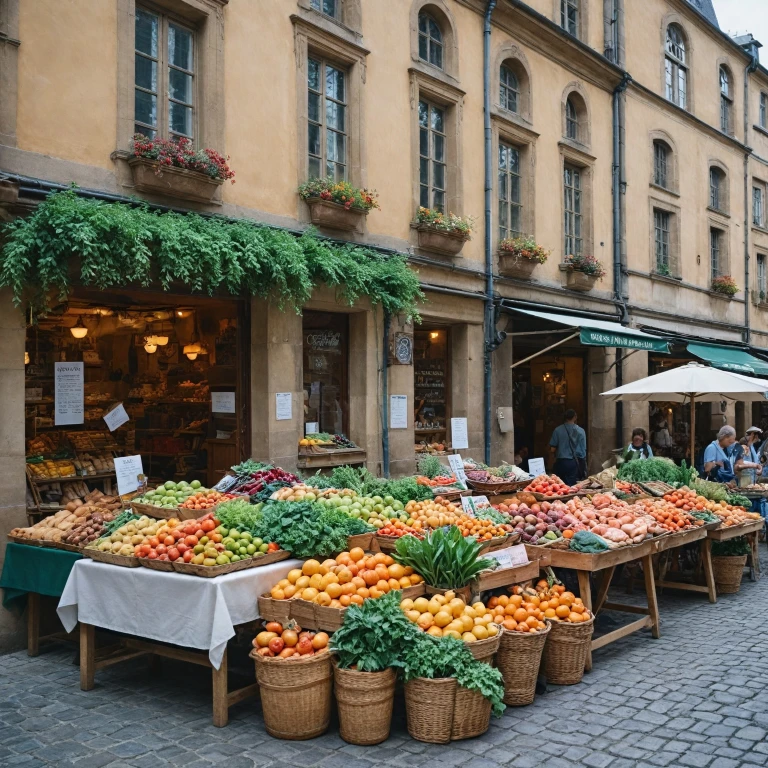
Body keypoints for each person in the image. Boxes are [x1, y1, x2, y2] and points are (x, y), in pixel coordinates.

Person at [549, 409, 586, 486]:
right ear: (575, 417)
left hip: (561, 462)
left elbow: (552, 449)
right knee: (571, 486)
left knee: (559, 485)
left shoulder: (557, 430)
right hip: (574, 462)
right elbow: (583, 451)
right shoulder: (581, 431)